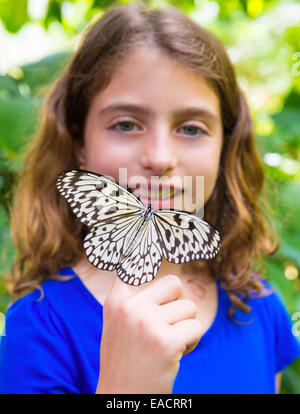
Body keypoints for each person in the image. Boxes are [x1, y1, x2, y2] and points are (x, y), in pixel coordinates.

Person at [0, 1, 299, 394]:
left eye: (191, 129)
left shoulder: (258, 306)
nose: (159, 158)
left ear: (224, 149)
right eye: (125, 124)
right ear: (79, 145)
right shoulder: (42, 328)